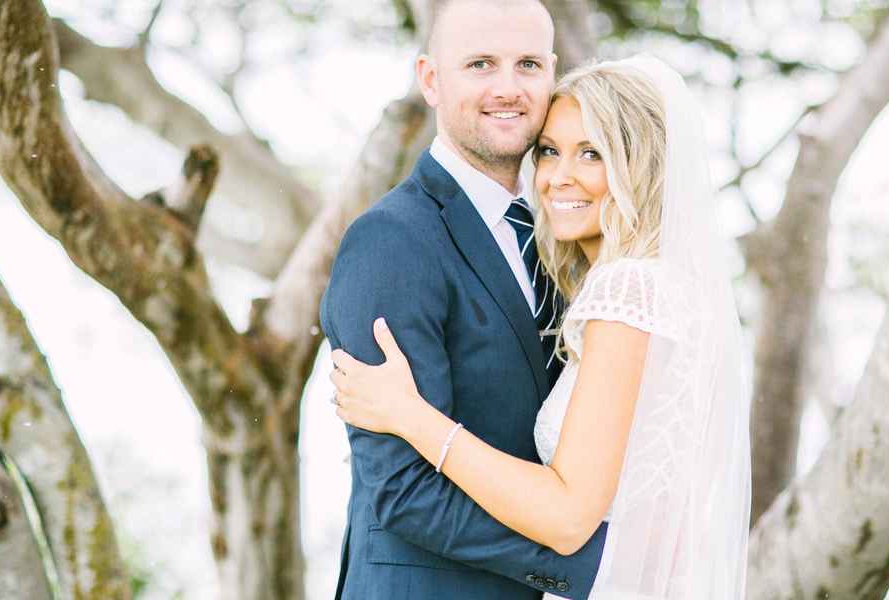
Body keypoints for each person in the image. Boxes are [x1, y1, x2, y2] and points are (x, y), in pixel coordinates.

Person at [329, 55, 751, 600]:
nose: (558, 178)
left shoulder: (629, 291)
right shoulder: (664, 292)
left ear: (640, 167)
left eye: (592, 154)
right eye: (549, 151)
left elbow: (568, 515)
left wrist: (412, 418)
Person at [318, 1, 608, 598]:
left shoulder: (563, 236)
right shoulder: (392, 241)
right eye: (480, 64)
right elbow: (403, 491)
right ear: (431, 79)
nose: (508, 88)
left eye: (528, 64)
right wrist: (599, 565)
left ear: (551, 74)